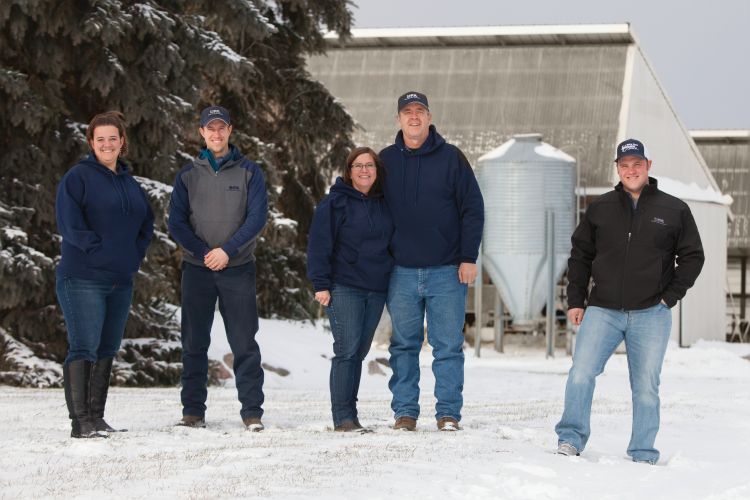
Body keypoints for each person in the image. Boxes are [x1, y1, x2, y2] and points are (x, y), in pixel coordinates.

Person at [555, 138, 705, 463]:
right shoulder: (600, 208)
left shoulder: (674, 209)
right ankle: (570, 438)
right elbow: (580, 256)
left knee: (646, 386)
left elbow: (693, 256)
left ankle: (642, 451)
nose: (631, 170)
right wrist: (576, 300)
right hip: (603, 309)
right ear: (618, 168)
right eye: (625, 165)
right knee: (580, 373)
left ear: (648, 166)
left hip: (652, 311)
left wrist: (670, 296)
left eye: (637, 164)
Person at [379, 91, 484, 432]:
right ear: (399, 118)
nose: (413, 117)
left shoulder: (452, 158)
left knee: (448, 347)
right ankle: (405, 413)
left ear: (429, 116)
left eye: (419, 111)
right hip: (401, 272)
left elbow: (473, 209)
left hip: (446, 271)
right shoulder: (385, 161)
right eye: (407, 111)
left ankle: (448, 413)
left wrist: (468, 257)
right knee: (403, 345)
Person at [168, 105, 268, 430]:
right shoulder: (187, 175)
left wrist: (227, 250)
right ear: (201, 133)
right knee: (194, 342)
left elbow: (256, 218)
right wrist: (204, 252)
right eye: (209, 128)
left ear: (230, 130)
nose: (216, 133)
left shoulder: (250, 172)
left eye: (221, 127)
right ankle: (193, 412)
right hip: (197, 270)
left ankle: (252, 412)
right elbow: (177, 223)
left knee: (244, 343)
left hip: (237, 267)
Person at [56, 111, 155, 438]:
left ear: (122, 141)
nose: (107, 144)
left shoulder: (130, 183)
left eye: (113, 138)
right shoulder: (78, 178)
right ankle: (80, 422)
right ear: (91, 143)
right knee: (84, 346)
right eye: (101, 139)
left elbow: (145, 222)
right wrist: (99, 251)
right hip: (83, 277)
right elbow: (70, 225)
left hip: (120, 280)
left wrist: (134, 254)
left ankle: (97, 418)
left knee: (107, 348)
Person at [307, 147, 394, 432]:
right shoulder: (334, 203)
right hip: (344, 286)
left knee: (359, 351)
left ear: (377, 170)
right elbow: (319, 245)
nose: (364, 170)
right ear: (349, 170)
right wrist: (321, 284)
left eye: (369, 165)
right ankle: (343, 417)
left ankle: (351, 415)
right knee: (346, 350)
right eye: (358, 165)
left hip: (376, 287)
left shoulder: (385, 203)